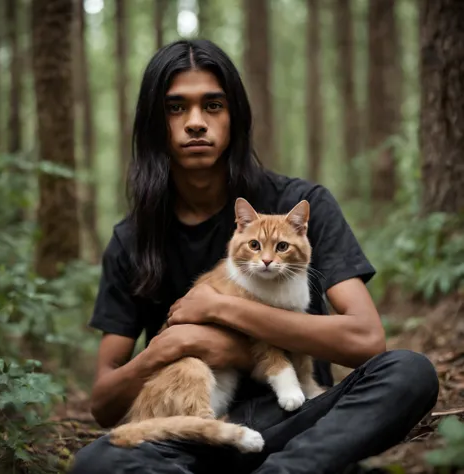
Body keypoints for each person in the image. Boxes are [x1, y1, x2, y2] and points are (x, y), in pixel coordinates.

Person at [70, 39, 439, 474]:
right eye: (175, 108)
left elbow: (366, 341)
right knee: (96, 461)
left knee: (409, 372)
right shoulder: (133, 239)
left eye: (212, 106)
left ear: (235, 117)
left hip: (299, 418)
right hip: (194, 430)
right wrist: (170, 348)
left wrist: (223, 311)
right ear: (155, 123)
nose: (194, 122)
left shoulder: (301, 204)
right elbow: (105, 403)